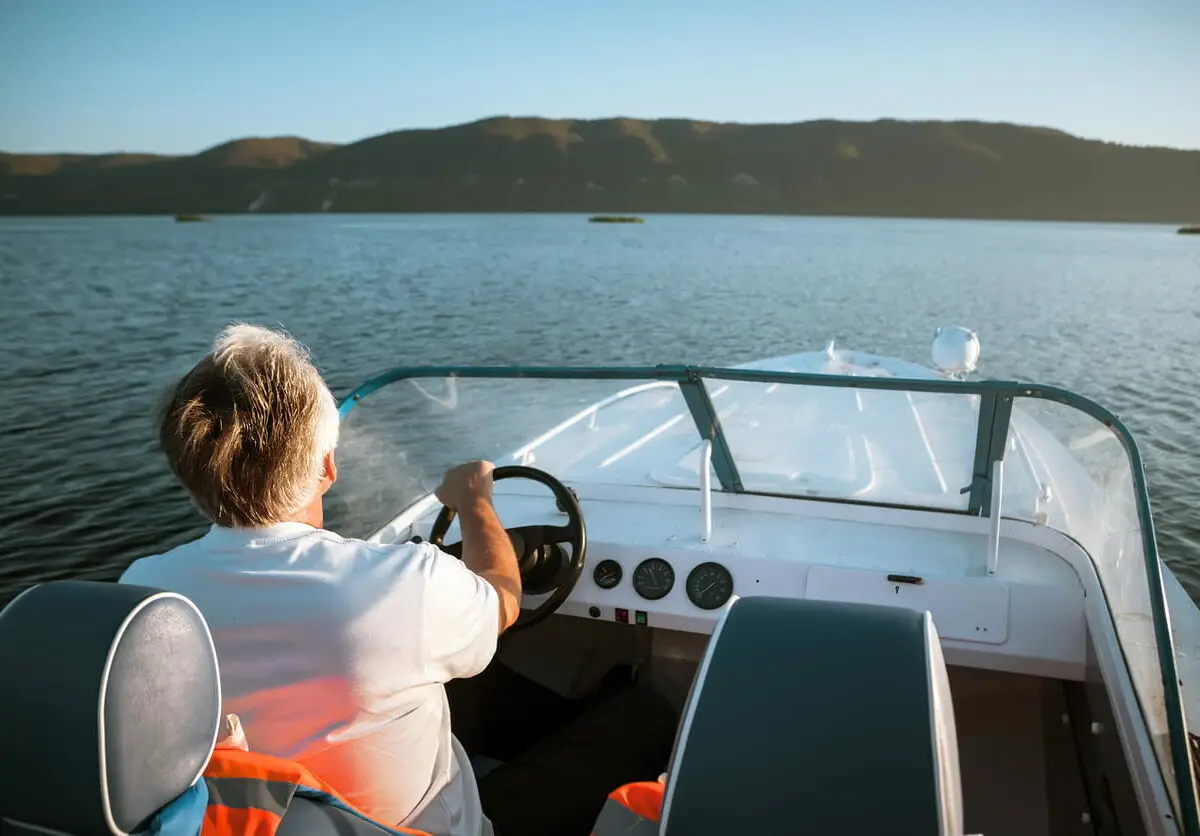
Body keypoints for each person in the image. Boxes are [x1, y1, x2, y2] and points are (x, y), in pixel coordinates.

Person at [120, 323, 677, 836]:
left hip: (250, 819)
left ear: (190, 476)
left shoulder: (140, 597)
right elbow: (504, 599)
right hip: (425, 827)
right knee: (644, 714)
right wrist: (475, 502)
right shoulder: (401, 586)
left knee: (473, 690)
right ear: (327, 467)